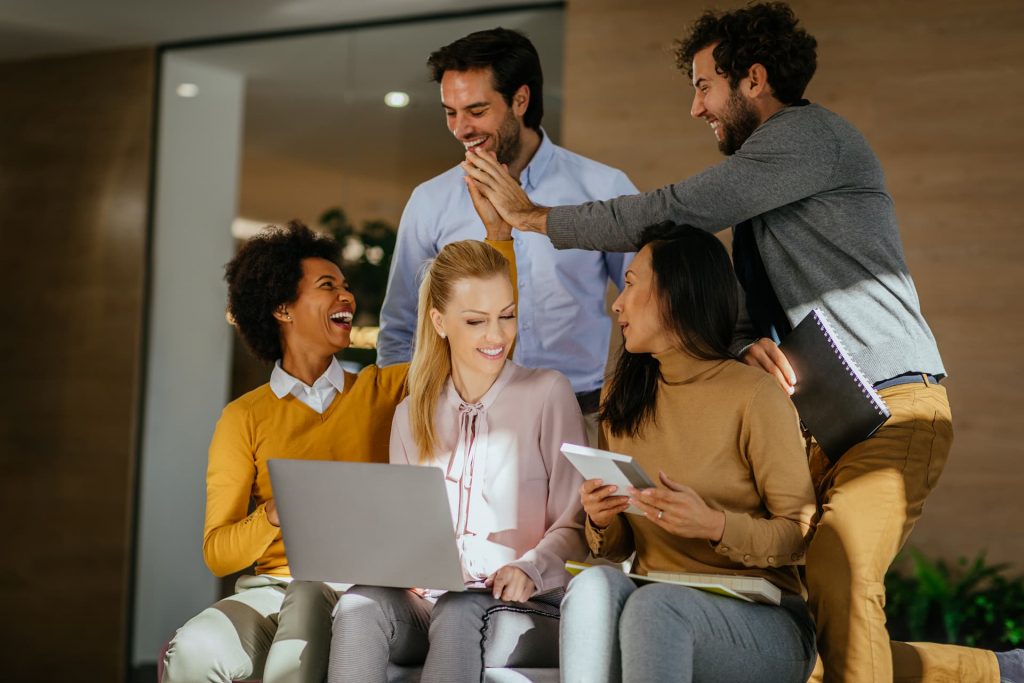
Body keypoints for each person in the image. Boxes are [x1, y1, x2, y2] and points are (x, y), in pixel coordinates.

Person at [463, 4, 1024, 682]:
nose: (697, 108)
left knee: (838, 574)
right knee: (805, 646)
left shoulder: (810, 137)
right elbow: (737, 308)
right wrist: (754, 338)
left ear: (753, 79)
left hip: (894, 406)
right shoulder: (770, 202)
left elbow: (674, 211)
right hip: (824, 421)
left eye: (704, 86)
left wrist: (532, 217)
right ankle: (997, 673)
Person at [560, 223, 817, 683]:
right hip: (654, 597)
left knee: (657, 607)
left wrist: (715, 526)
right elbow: (619, 548)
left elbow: (800, 535)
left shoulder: (754, 395)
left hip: (764, 621)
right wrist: (602, 519)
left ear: (676, 296)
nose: (616, 302)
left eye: (632, 283)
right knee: (593, 586)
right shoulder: (624, 394)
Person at [327, 240, 588, 683]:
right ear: (439, 322)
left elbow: (576, 524)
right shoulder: (412, 415)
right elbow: (407, 532)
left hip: (528, 606)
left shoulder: (548, 392)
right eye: (476, 321)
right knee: (358, 606)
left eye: (506, 316)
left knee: (459, 610)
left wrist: (530, 566)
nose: (497, 336)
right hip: (433, 601)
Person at [161, 222, 408, 683]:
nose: (347, 298)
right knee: (193, 650)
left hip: (358, 591)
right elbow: (219, 553)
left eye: (346, 286)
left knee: (306, 612)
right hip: (271, 590)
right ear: (281, 308)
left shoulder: (388, 390)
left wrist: (500, 239)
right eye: (327, 285)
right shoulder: (244, 417)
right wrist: (274, 513)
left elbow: (475, 338)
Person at [376, 27, 638, 444]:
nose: (461, 129)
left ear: (520, 100)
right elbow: (400, 327)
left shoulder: (602, 188)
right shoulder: (429, 201)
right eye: (450, 112)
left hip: (581, 419)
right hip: (460, 425)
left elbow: (648, 299)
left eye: (476, 111)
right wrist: (409, 419)